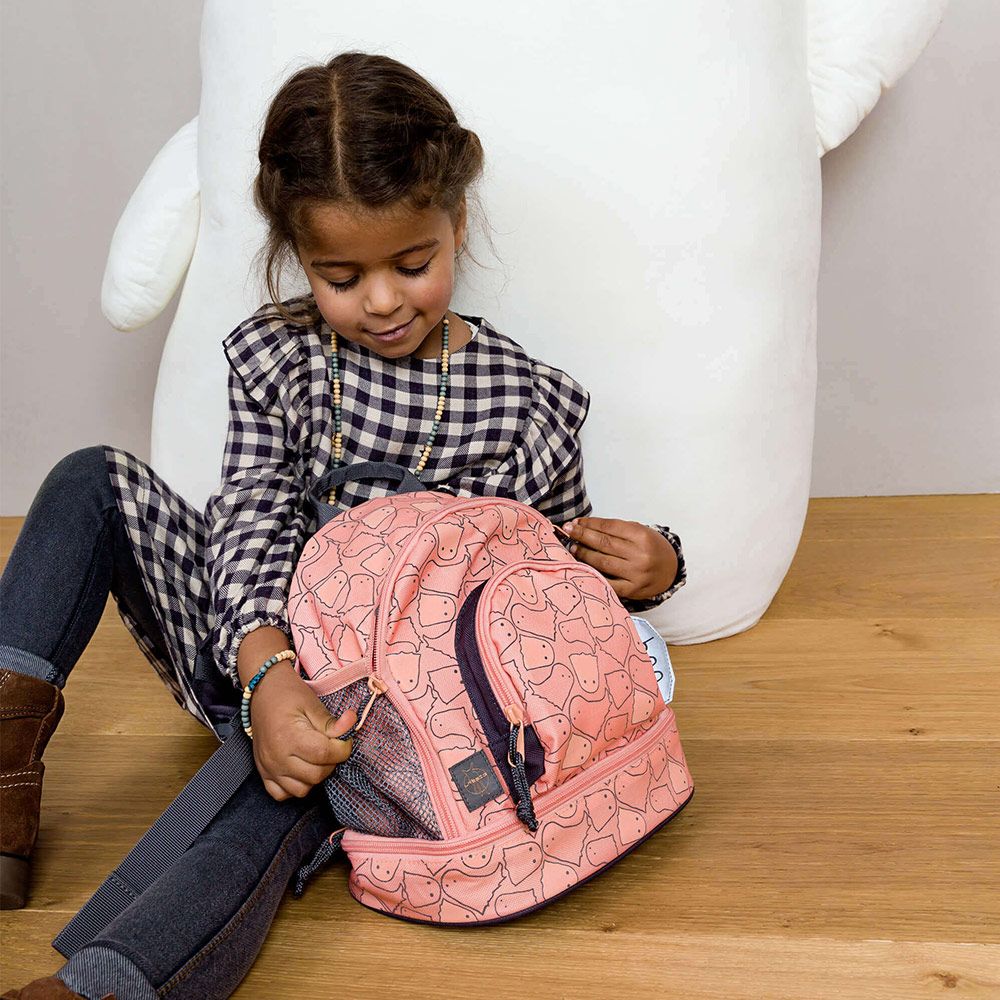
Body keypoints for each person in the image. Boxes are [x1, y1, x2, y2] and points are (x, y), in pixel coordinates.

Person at [0, 51, 687, 1000]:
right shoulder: (283, 357)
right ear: (296, 256)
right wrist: (266, 672)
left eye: (414, 264)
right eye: (341, 275)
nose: (382, 300)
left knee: (267, 811)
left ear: (457, 223)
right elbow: (250, 511)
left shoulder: (524, 400)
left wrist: (656, 565)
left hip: (384, 723)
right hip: (250, 641)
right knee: (91, 481)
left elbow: (547, 585)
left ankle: (108, 984)